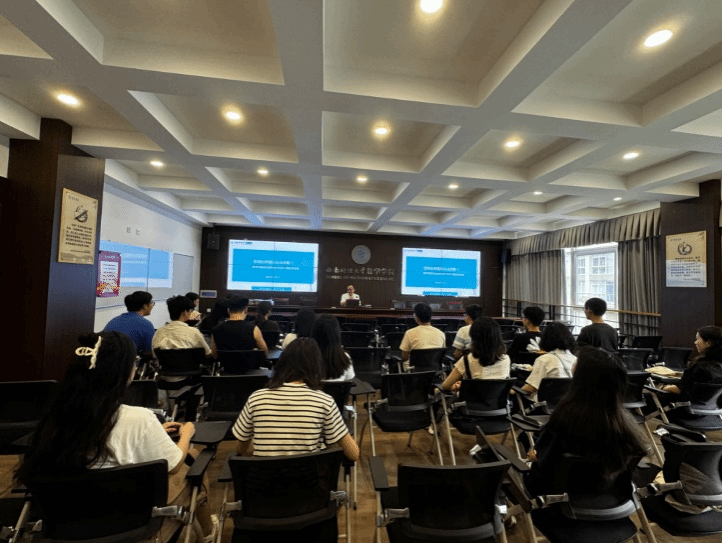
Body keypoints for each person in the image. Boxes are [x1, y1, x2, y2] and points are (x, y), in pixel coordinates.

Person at [15, 331, 216, 542]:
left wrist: (153, 433)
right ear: (123, 371)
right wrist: (186, 434)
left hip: (66, 525)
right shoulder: (139, 419)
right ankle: (208, 533)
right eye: (134, 363)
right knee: (193, 458)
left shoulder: (53, 421)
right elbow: (174, 464)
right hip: (131, 526)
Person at [526, 347, 647, 496]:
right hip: (608, 497)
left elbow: (544, 460)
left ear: (581, 379)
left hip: (559, 496)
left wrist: (533, 455)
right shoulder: (624, 422)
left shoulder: (564, 418)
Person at [233, 338, 360, 461]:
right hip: (309, 476)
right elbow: (353, 454)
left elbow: (240, 449)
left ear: (282, 363)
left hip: (262, 476)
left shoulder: (256, 398)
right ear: (316, 366)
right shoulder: (324, 402)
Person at [441, 317, 510, 391]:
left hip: (472, 398)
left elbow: (446, 386)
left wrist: (461, 386)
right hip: (498, 398)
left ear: (473, 337)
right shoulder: (506, 359)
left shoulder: (467, 360)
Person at [518, 322, 577, 398]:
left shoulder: (544, 360)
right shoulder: (576, 360)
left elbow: (531, 388)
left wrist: (514, 390)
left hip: (545, 403)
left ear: (546, 339)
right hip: (568, 402)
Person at [661, 325, 722, 396]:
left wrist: (663, 387)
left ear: (708, 343)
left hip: (688, 401)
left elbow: (680, 390)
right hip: (712, 402)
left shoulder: (699, 367)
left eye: (697, 339)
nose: (695, 342)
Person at [312, 314, 355, 381]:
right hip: (339, 388)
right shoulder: (345, 358)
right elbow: (349, 379)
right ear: (337, 334)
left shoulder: (307, 357)